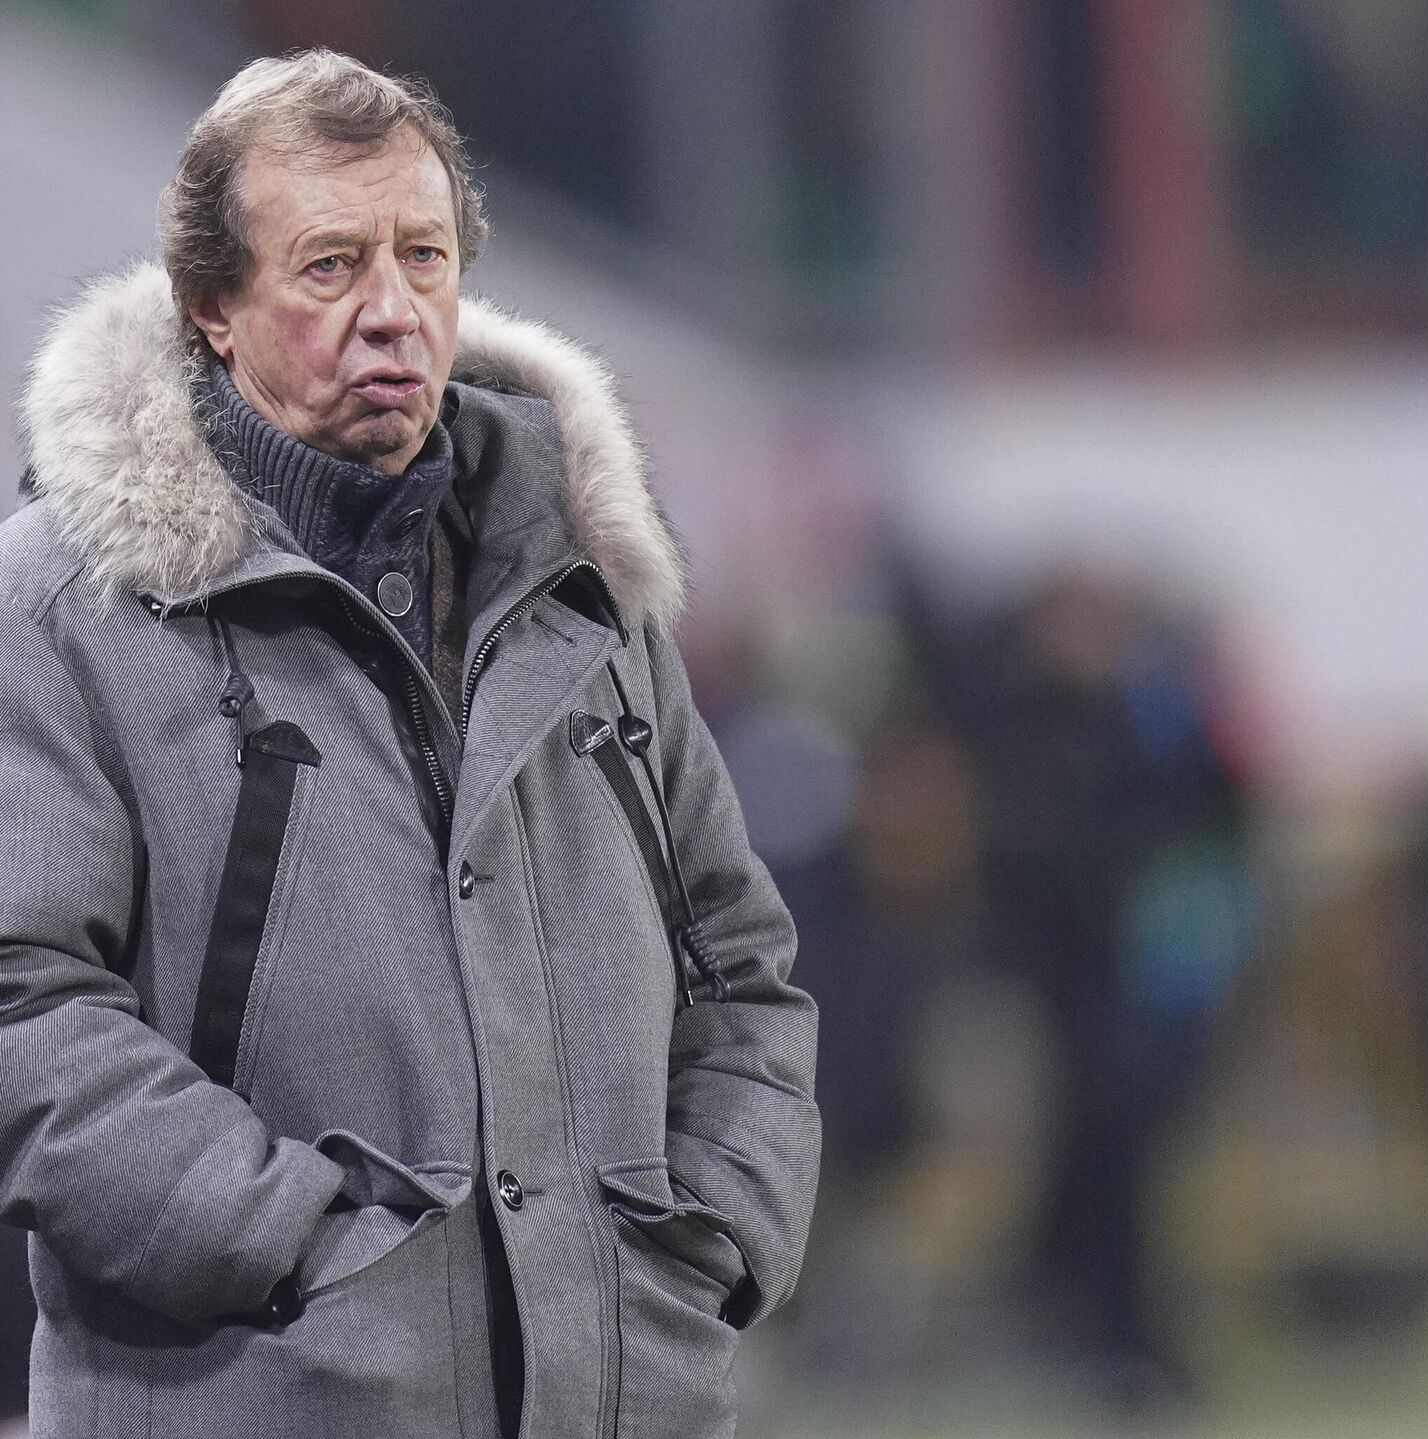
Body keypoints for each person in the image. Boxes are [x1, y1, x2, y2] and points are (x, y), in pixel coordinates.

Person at [1, 50, 818, 1439]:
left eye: (422, 257)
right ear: (211, 308)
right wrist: (288, 1245)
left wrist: (720, 1230)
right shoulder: (60, 608)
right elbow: (24, 1003)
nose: (392, 311)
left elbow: (740, 964)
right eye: (330, 266)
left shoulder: (587, 583)